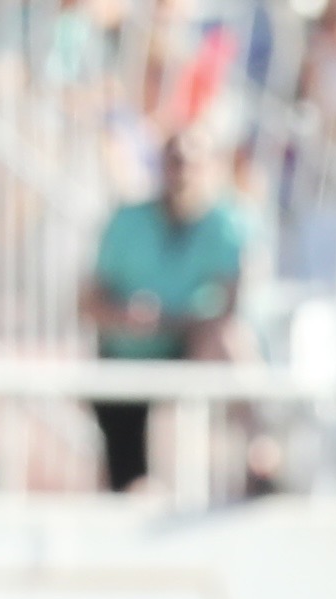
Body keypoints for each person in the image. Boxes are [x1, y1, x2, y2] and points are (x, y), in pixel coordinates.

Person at [81, 137, 252, 496]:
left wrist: (172, 324)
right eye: (175, 162)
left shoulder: (224, 225)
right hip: (125, 357)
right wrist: (125, 319)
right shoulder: (127, 222)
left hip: (184, 352)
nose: (183, 173)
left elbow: (230, 306)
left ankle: (256, 451)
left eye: (193, 162)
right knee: (127, 484)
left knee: (229, 342)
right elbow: (89, 300)